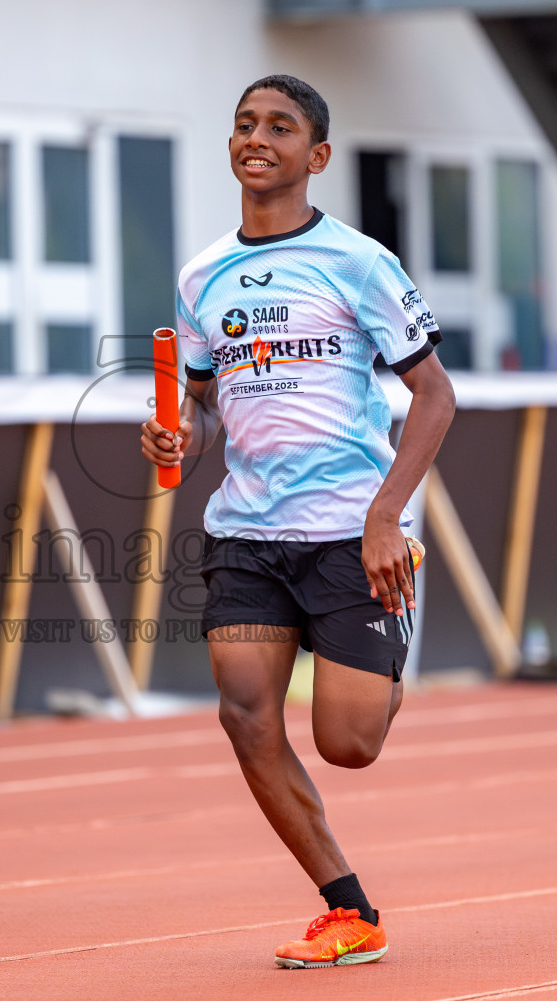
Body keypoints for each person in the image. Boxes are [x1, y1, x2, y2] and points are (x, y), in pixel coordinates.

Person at [140, 74, 456, 969]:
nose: (257, 137)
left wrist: (387, 516)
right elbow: (198, 411)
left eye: (279, 127)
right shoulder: (202, 276)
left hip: (350, 529)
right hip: (247, 532)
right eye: (244, 124)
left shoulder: (360, 263)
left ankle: (382, 625)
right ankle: (347, 909)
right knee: (246, 717)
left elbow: (435, 396)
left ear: (315, 158)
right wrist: (177, 430)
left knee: (347, 744)